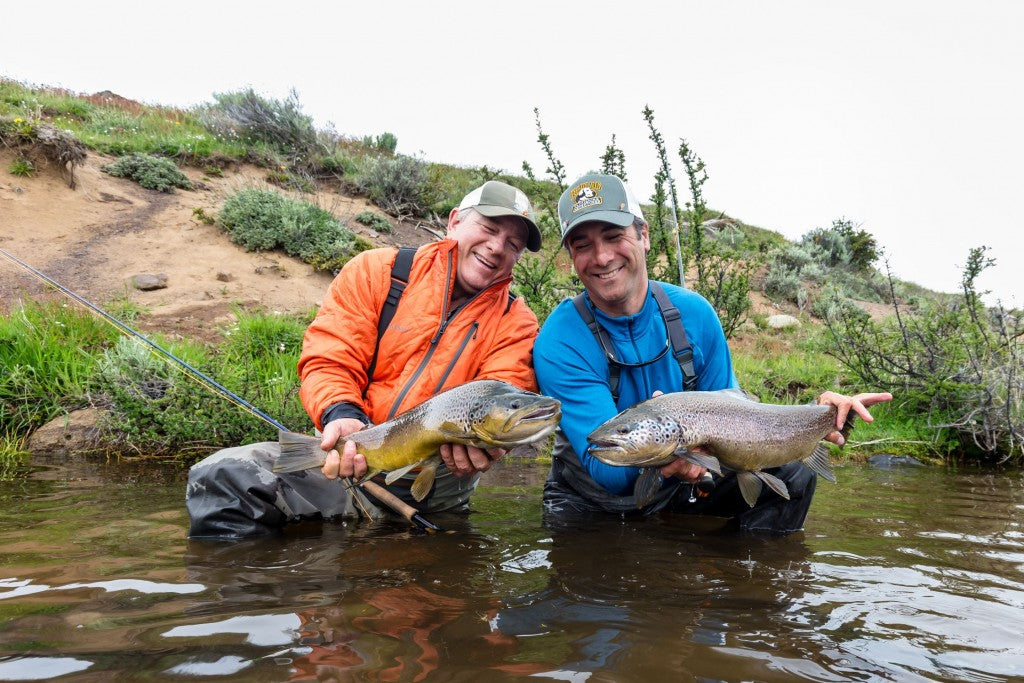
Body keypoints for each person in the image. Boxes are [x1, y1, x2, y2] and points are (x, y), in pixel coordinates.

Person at [533, 172, 892, 533]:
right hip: (590, 502)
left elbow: (737, 411)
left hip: (685, 482)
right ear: (570, 256)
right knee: (586, 585)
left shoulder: (694, 314)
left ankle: (740, 582)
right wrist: (668, 455)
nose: (602, 256)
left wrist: (817, 417)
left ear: (643, 236)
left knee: (794, 475)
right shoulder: (560, 339)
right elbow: (604, 469)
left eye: (614, 236)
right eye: (582, 245)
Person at [187, 180, 543, 538]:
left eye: (513, 244)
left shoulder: (518, 323)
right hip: (339, 467)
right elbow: (331, 356)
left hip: (435, 496)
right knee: (222, 476)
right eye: (488, 228)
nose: (497, 247)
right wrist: (340, 414)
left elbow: (504, 393)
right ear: (454, 222)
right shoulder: (378, 272)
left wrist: (495, 445)